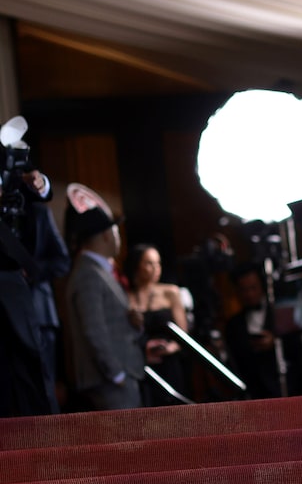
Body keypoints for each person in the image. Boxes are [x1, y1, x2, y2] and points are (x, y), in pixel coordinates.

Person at [65, 205, 145, 410]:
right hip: (111, 381)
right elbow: (93, 329)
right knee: (127, 440)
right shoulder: (88, 273)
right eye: (116, 230)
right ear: (107, 235)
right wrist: (116, 374)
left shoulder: (98, 270)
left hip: (118, 377)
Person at [0, 167, 57, 416]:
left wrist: (38, 183)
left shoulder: (25, 202)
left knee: (29, 377)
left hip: (18, 295)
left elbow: (38, 189)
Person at [224, 262, 302, 399]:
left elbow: (298, 347)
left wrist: (275, 342)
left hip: (286, 389)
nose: (249, 294)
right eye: (244, 290)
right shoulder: (232, 325)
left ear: (262, 286)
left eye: (253, 288)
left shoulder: (280, 312)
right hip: (252, 393)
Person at [124, 243, 190, 406]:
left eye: (158, 263)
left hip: (168, 361)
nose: (155, 268)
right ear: (136, 266)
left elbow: (183, 334)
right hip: (142, 362)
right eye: (149, 263)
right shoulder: (125, 297)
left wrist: (169, 348)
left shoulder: (171, 292)